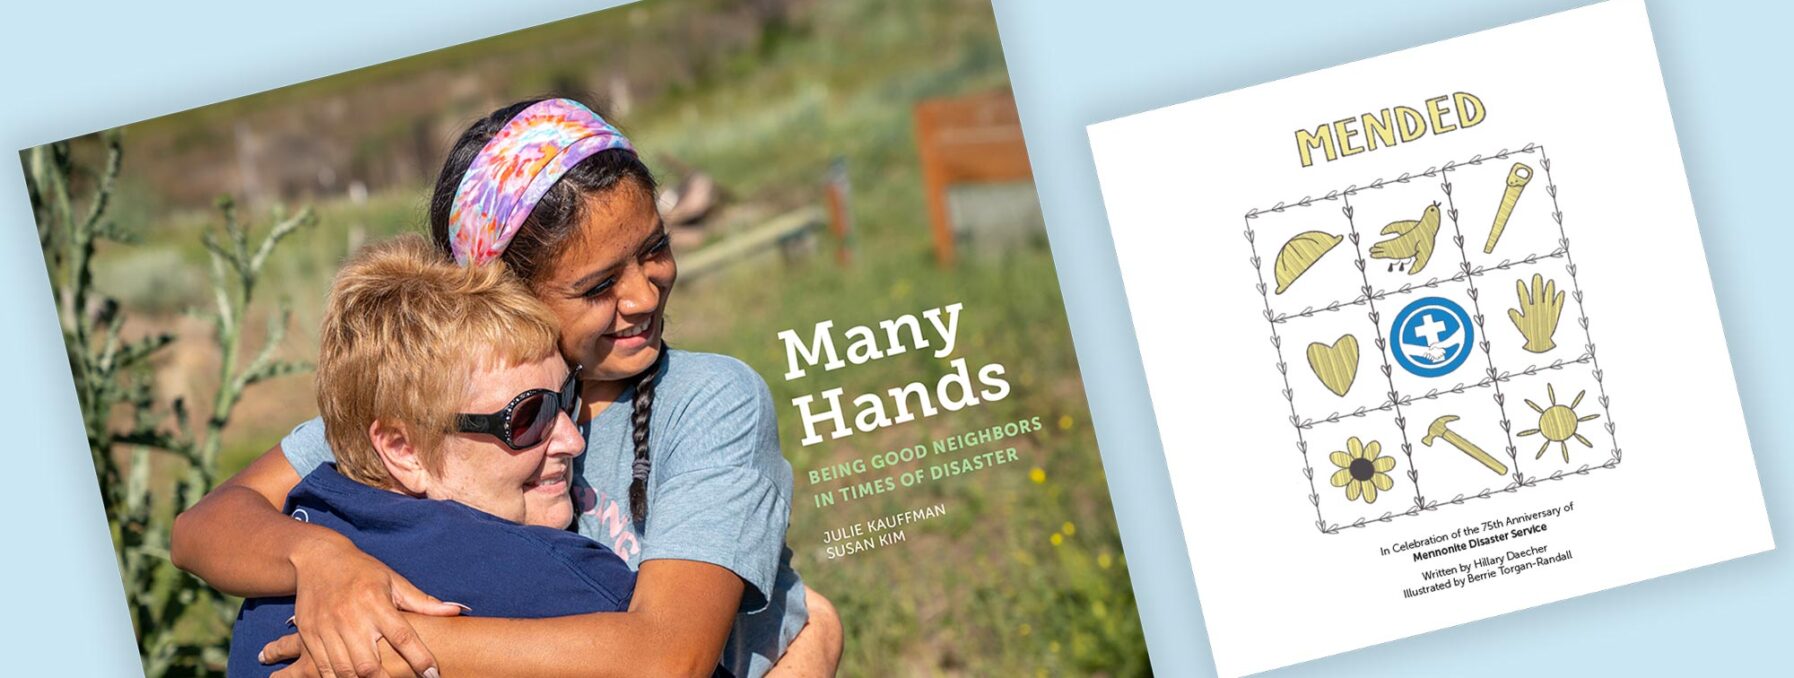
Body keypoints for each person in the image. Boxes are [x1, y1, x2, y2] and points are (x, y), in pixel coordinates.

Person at [171, 98, 843, 678]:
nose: (644, 293)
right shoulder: (438, 411)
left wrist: (393, 642)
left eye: (655, 248)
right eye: (599, 285)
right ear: (502, 293)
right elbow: (206, 526)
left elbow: (667, 660)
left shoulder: (705, 401)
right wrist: (319, 559)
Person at [229, 236, 635, 677]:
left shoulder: (267, 598)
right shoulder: (571, 588)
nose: (573, 440)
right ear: (404, 450)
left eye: (567, 395)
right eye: (527, 418)